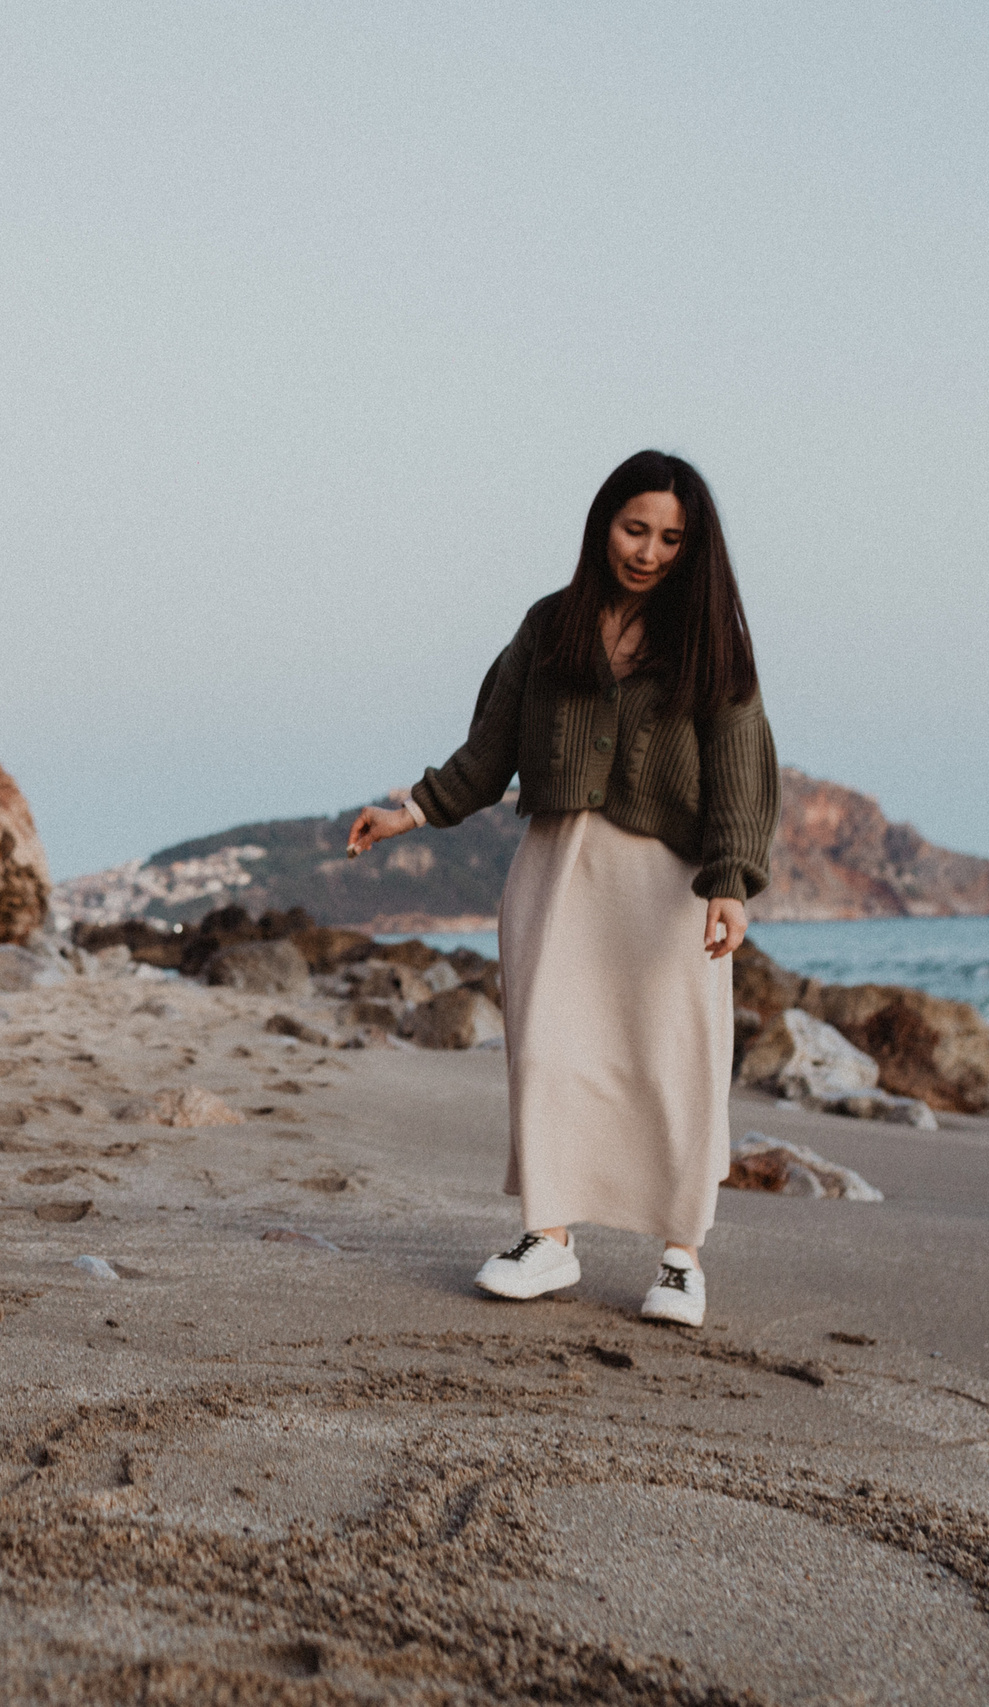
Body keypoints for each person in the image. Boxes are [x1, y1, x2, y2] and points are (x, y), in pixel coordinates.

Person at [347, 450, 778, 1328]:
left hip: (669, 880)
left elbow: (741, 765)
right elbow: (490, 744)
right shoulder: (553, 624)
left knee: (673, 1056)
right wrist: (412, 810)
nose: (648, 552)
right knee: (547, 1049)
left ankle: (680, 1254)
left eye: (669, 538)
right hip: (557, 867)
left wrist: (730, 881)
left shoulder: (713, 642)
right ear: (601, 523)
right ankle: (547, 1239)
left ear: (694, 549)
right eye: (634, 529)